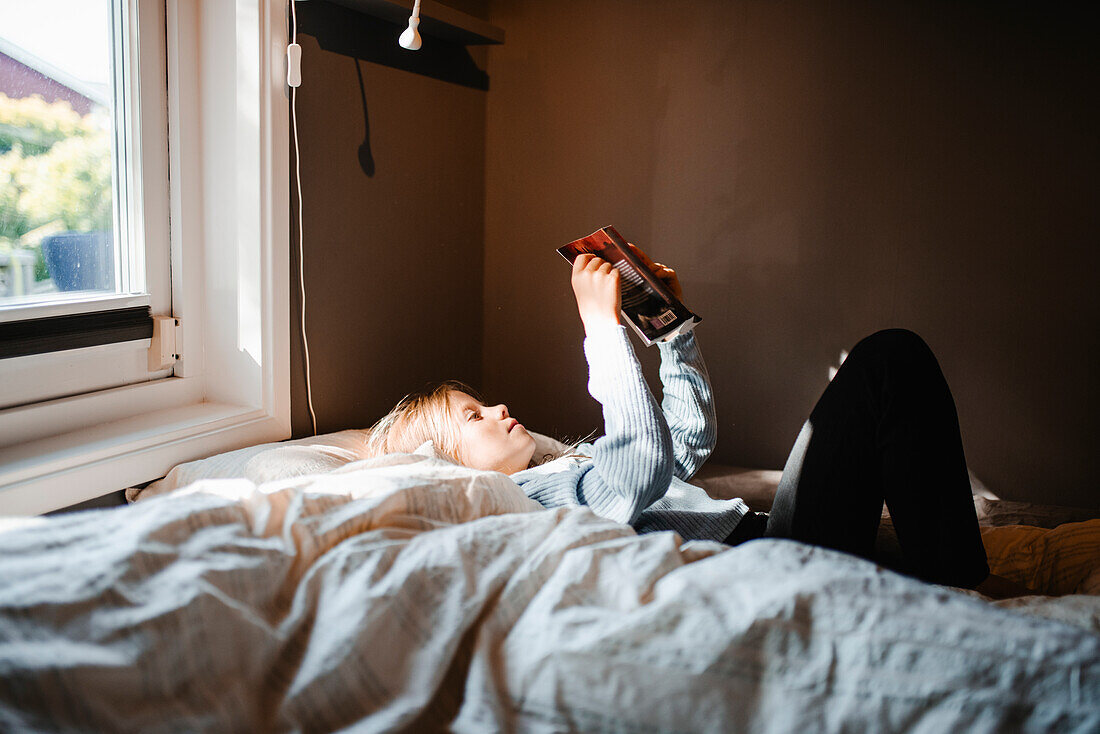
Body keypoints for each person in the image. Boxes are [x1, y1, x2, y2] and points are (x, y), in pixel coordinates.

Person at [368, 247, 1030, 598]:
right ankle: (966, 584)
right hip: (766, 560)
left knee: (895, 377)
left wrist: (669, 331)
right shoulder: (528, 499)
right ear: (450, 466)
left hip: (770, 535)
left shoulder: (566, 469)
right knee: (886, 361)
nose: (500, 409)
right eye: (474, 416)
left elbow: (684, 443)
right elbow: (640, 469)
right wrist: (600, 329)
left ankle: (960, 580)